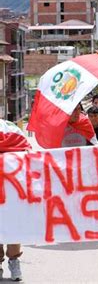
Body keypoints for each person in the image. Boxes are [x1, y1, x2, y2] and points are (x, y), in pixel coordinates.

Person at [0, 119, 32, 281]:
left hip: (13, 190)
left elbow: (27, 153)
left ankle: (14, 262)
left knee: (13, 228)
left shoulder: (11, 128)